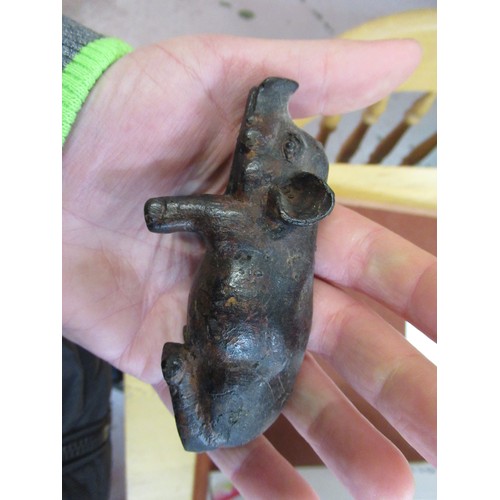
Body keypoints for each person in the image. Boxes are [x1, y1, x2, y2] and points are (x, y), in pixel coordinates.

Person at [62, 16, 436, 499]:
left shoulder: (253, 218)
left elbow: (163, 213)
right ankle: (196, 412)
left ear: (297, 197)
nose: (266, 139)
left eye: (286, 146)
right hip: (212, 362)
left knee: (215, 405)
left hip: (232, 359)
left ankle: (197, 414)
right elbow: (168, 214)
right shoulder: (255, 217)